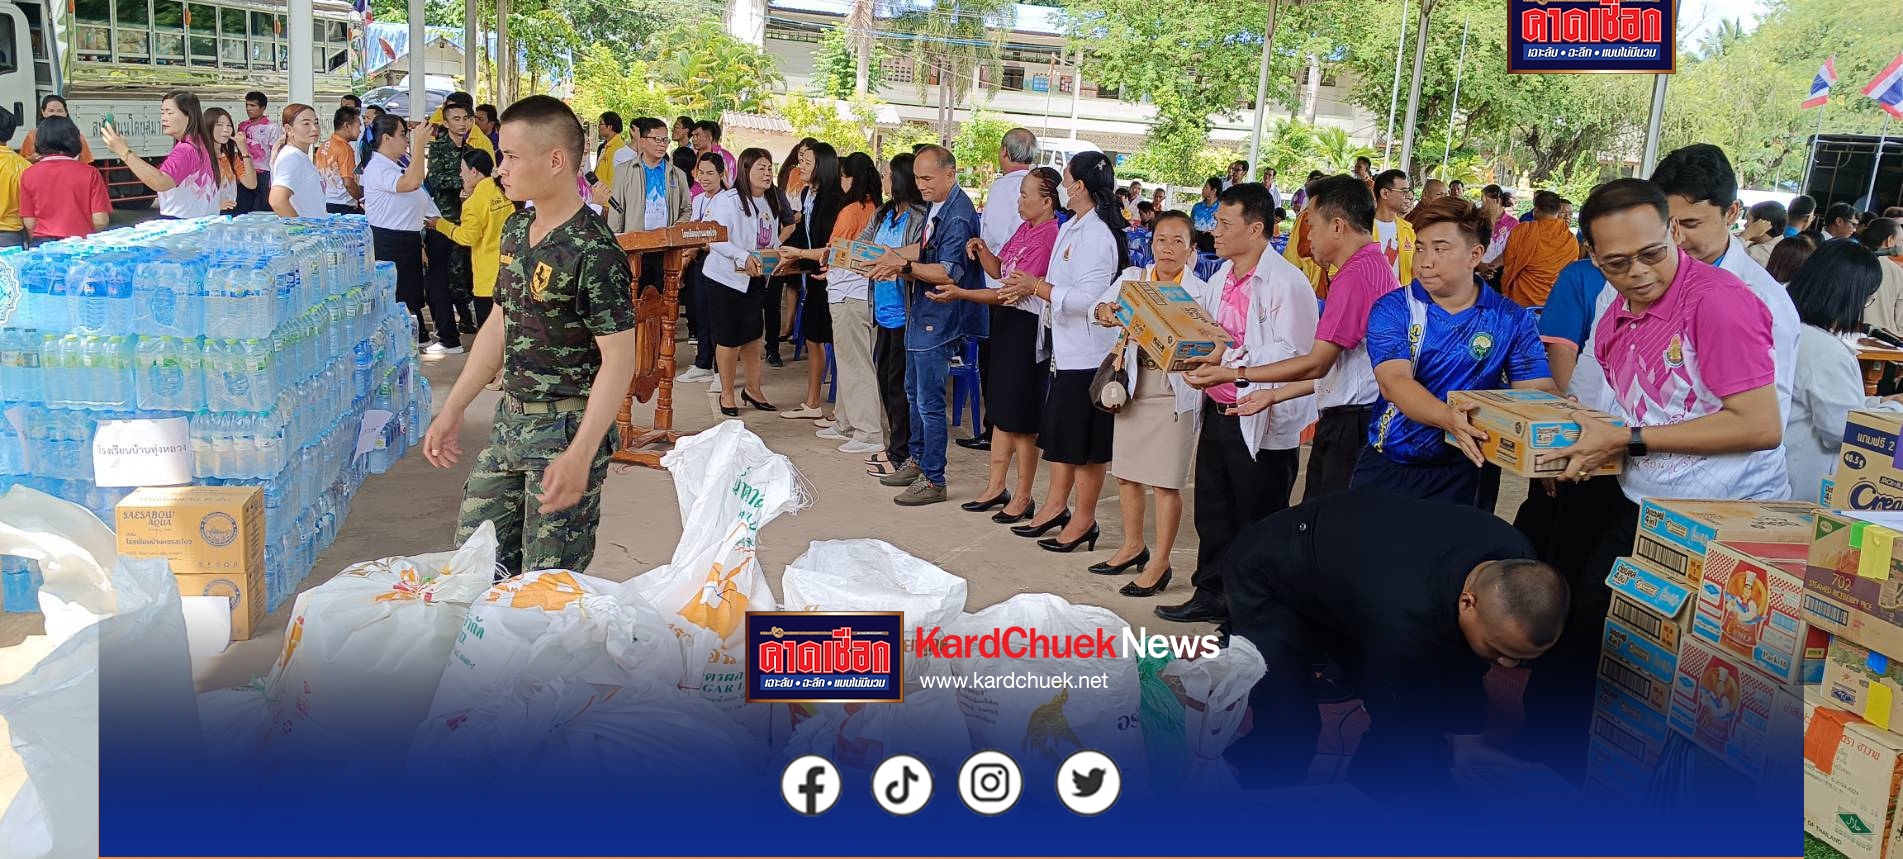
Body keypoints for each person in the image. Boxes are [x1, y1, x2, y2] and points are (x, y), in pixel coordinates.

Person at [1523, 178, 1786, 782]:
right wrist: (1586, 449)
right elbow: (1626, 406)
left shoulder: (1718, 302)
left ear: (1673, 231)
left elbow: (1759, 424)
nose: (1638, 272)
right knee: (1597, 628)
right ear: (1591, 258)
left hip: (1721, 515)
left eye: (1651, 254)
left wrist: (1629, 440)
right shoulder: (1615, 309)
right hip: (1647, 499)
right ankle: (1570, 773)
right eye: (1617, 263)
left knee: (1682, 663)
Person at [1222, 488, 1567, 797]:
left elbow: (1463, 660)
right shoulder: (1407, 618)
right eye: (1500, 651)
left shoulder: (1517, 563)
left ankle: (1365, 788)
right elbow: (1408, 714)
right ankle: (1240, 797)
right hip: (1273, 573)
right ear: (1467, 602)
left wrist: (1467, 740)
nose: (1506, 666)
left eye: (1521, 659)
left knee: (1410, 729)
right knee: (1290, 734)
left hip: (1354, 573)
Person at [424, 95, 636, 577]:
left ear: (556, 160)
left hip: (564, 431)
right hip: (509, 425)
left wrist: (580, 454)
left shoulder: (594, 251)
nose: (501, 169)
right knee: (472, 566)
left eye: (512, 157)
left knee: (544, 592)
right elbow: (498, 325)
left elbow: (619, 362)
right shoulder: (518, 228)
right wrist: (453, 407)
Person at [1192, 175, 1402, 518]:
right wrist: (1272, 393)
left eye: (1311, 225)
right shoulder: (1369, 266)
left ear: (1337, 226)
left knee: (1322, 526)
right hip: (1347, 414)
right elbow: (1336, 367)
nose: (1307, 236)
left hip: (1352, 423)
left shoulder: (1353, 276)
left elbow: (1315, 362)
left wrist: (1235, 371)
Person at [1155, 183, 1317, 624]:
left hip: (1262, 416)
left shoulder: (1288, 284)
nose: (1215, 232)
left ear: (1257, 228)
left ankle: (1250, 612)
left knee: (1257, 519)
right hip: (1219, 407)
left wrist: (1229, 361)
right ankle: (1210, 594)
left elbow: (1300, 359)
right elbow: (1211, 335)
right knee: (1214, 511)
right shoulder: (1221, 278)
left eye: (1225, 224)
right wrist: (1194, 358)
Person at [1352, 195, 1554, 506]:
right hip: (1393, 461)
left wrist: (1559, 418)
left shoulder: (1510, 318)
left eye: (1440, 249)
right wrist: (1448, 418)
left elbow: (1534, 389)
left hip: (1471, 467)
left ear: (1475, 254)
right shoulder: (1394, 308)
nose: (1425, 261)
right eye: (1420, 247)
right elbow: (1394, 382)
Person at [979, 150, 1121, 528]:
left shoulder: (1095, 234)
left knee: (1084, 443)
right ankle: (1055, 506)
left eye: (1068, 180)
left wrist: (1037, 287)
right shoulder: (1075, 226)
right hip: (1063, 347)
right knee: (1062, 439)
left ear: (1081, 187)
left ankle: (1078, 518)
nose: (1065, 188)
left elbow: (1090, 299)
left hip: (1087, 352)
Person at [1086, 210, 1203, 596]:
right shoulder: (1133, 279)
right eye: (1161, 240)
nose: (1168, 249)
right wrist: (1108, 312)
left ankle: (1161, 562)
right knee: (1126, 473)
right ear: (1150, 244)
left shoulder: (1201, 291)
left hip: (1175, 391)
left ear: (1191, 249)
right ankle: (1133, 546)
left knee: (1166, 483)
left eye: (1177, 242)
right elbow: (1098, 310)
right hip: (1135, 385)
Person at [864, 145, 987, 506]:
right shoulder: (938, 207)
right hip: (921, 313)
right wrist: (887, 256)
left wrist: (900, 267)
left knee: (929, 402)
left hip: (939, 317)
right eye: (917, 178)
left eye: (927, 178)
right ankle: (917, 461)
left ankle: (934, 477)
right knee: (913, 392)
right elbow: (924, 252)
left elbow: (947, 270)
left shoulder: (959, 215)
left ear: (951, 174)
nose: (920, 185)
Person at [953, 165, 1061, 523]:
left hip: (1026, 328)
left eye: (1026, 194)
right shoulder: (1025, 229)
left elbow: (1009, 294)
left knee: (1021, 418)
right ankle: (995, 485)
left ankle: (1025, 494)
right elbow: (1000, 270)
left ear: (1046, 202)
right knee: (999, 410)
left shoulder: (1048, 236)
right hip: (1005, 325)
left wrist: (962, 293)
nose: (1020, 200)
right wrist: (982, 250)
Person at [1786, 240, 1903, 505]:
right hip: (1803, 485)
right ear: (1852, 296)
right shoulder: (1826, 352)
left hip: (1782, 466)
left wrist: (1882, 402)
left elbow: (1829, 404)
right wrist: (1895, 412)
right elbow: (1841, 427)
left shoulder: (1789, 327)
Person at [782, 151, 883, 453]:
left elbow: (832, 250)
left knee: (856, 363)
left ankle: (868, 432)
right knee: (849, 360)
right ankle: (846, 421)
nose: (840, 180)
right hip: (850, 290)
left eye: (843, 175)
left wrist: (799, 254)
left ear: (851, 178)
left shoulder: (854, 209)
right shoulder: (873, 208)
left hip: (850, 292)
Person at [959, 128, 1037, 452]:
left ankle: (996, 429)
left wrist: (989, 258)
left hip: (1002, 282)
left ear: (1004, 151)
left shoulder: (1005, 186)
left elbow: (998, 236)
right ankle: (1004, 428)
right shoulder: (1038, 182)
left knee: (996, 363)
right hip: (1022, 283)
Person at [704, 148, 787, 417]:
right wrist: (742, 256)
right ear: (745, 170)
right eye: (760, 168)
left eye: (769, 168)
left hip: (756, 278)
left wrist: (778, 256)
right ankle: (727, 393)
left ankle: (753, 388)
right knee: (728, 338)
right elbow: (716, 238)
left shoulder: (769, 201)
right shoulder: (727, 200)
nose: (767, 173)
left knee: (753, 336)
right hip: (726, 279)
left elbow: (770, 239)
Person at [861, 155, 929, 480]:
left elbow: (922, 252)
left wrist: (891, 258)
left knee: (900, 386)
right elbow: (863, 246)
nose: (883, 179)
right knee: (884, 380)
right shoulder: (883, 214)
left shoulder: (919, 216)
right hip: (882, 309)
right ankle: (895, 447)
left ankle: (902, 454)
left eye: (887, 174)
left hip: (906, 312)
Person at [778, 141, 844, 420]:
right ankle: (812, 402)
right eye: (800, 160)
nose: (800, 166)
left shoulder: (834, 199)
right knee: (814, 338)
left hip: (834, 278)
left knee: (835, 342)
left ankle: (839, 408)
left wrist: (800, 255)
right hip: (814, 275)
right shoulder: (808, 193)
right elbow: (803, 233)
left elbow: (831, 246)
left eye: (806, 162)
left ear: (823, 166)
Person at [361, 113, 437, 346]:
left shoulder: (392, 165)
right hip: (390, 241)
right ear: (386, 138)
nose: (406, 140)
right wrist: (420, 144)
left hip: (406, 239)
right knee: (398, 296)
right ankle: (402, 342)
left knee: (410, 295)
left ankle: (411, 338)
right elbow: (411, 183)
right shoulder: (378, 167)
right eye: (403, 135)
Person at [605, 116, 692, 308]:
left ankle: (660, 337)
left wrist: (674, 231)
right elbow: (616, 209)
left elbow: (686, 209)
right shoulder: (624, 171)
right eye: (657, 139)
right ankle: (635, 338)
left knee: (663, 303)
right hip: (635, 248)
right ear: (643, 141)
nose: (662, 145)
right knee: (633, 302)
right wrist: (616, 244)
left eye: (665, 140)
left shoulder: (677, 174)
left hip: (665, 250)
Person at [426, 101, 489, 346]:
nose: (462, 123)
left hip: (469, 216)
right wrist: (464, 183)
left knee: (466, 269)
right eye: (456, 119)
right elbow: (436, 178)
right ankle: (454, 321)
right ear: (445, 122)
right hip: (445, 218)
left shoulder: (471, 147)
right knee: (449, 272)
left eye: (466, 118)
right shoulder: (439, 147)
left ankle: (466, 316)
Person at [102, 91, 220, 219]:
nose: (164, 117)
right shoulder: (200, 143)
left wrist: (123, 151)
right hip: (199, 224)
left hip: (183, 226)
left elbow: (161, 181)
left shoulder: (186, 149)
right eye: (162, 112)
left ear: (189, 116)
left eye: (169, 113)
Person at [432, 149, 513, 325]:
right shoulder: (503, 191)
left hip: (487, 279)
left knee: (489, 330)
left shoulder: (475, 203)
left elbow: (467, 237)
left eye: (462, 170)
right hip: (509, 272)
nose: (461, 175)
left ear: (474, 171)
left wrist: (440, 224)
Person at [677, 153, 727, 385]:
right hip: (699, 261)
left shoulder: (728, 200)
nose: (704, 178)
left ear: (721, 175)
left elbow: (719, 235)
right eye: (701, 172)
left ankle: (720, 371)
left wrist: (697, 246)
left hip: (718, 260)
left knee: (717, 317)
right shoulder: (697, 199)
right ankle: (703, 363)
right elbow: (694, 229)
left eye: (710, 173)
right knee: (700, 313)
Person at [19, 116, 109, 241]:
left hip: (43, 242)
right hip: (81, 242)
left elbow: (29, 222)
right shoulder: (90, 173)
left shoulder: (28, 174)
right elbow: (100, 220)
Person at [1499, 190, 1579, 308]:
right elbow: (1570, 273)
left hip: (1521, 300)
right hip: (1553, 302)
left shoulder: (1523, 231)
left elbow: (1509, 261)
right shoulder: (1570, 239)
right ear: (1558, 211)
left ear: (1535, 209)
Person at [268, 103, 326, 217]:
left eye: (316, 122)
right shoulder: (291, 158)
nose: (314, 128)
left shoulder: (299, 156)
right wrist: (300, 230)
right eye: (306, 124)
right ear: (288, 129)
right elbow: (277, 200)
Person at [201, 107, 254, 214]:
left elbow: (251, 184)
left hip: (228, 215)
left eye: (229, 125)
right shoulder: (199, 157)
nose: (225, 129)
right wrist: (214, 204)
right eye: (219, 125)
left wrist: (244, 151)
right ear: (207, 126)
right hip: (205, 217)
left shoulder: (230, 157)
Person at [237, 91, 281, 212]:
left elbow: (276, 153)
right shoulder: (242, 126)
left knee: (262, 207)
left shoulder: (272, 127)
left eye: (253, 106)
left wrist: (274, 177)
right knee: (243, 207)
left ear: (263, 108)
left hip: (264, 173)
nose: (248, 108)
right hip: (245, 171)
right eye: (247, 105)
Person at [1370, 169, 1415, 284]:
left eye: (1408, 191)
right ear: (1385, 193)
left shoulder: (1408, 229)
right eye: (1403, 191)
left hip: (1400, 298)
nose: (1407, 196)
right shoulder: (1360, 227)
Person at [1859, 218, 1903, 333]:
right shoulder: (1898, 273)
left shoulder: (1847, 260)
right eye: (1902, 241)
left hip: (1843, 333)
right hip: (1881, 341)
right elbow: (1901, 321)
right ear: (1890, 240)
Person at [318, 106, 364, 214]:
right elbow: (348, 183)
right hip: (343, 205)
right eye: (358, 126)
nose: (360, 130)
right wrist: (362, 199)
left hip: (324, 201)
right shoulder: (345, 149)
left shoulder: (324, 145)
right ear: (347, 126)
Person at [21, 95, 92, 164]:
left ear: (66, 113)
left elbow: (85, 162)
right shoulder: (33, 134)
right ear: (43, 112)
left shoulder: (77, 135)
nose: (55, 114)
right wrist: (32, 159)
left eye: (60, 111)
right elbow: (22, 161)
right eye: (51, 111)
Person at [1478, 184, 1518, 275]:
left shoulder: (1513, 223)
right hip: (1478, 267)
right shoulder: (1478, 220)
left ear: (1497, 201)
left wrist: (1491, 266)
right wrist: (1481, 265)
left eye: (1485, 201)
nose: (1482, 205)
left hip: (1501, 271)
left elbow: (1513, 250)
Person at [591, 112, 630, 205]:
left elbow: (616, 181)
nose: (599, 127)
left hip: (607, 202)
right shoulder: (605, 146)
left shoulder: (619, 149)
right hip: (599, 197)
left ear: (610, 127)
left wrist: (608, 204)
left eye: (601, 124)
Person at [1743, 200, 1787, 267]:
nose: (1745, 225)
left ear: (1761, 224)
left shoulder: (1757, 254)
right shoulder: (1781, 243)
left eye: (1748, 220)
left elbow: (1728, 257)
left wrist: (1744, 236)